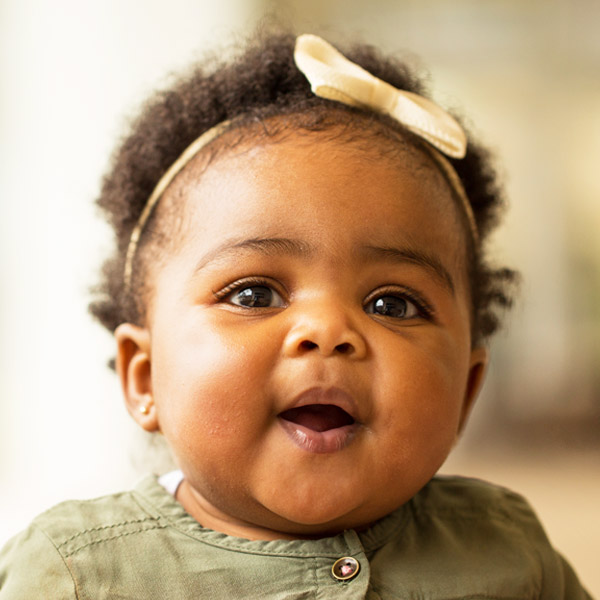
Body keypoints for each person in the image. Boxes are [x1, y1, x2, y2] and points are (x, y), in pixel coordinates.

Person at [0, 32, 592, 599]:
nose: (328, 331)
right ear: (144, 375)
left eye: (392, 304)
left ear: (465, 390)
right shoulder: (77, 572)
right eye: (254, 294)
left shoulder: (506, 550)